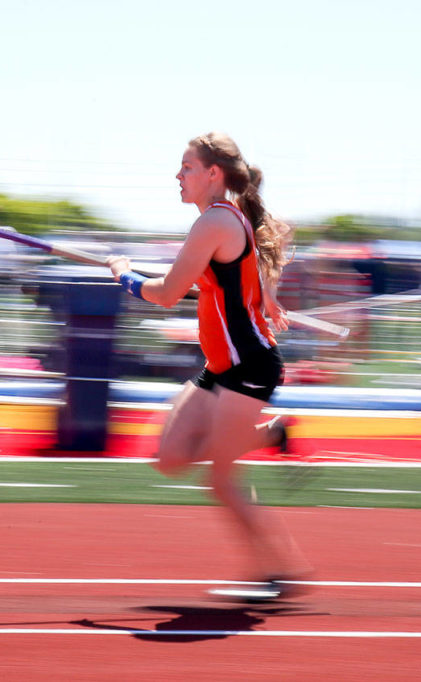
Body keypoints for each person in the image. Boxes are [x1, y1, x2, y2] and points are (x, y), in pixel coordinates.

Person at [107, 132, 310, 599]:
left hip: (249, 367)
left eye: (187, 168)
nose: (178, 176)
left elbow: (164, 294)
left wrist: (123, 275)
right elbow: (221, 282)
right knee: (170, 457)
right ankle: (271, 434)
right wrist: (265, 294)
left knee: (219, 480)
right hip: (219, 367)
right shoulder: (217, 222)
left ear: (212, 174)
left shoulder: (215, 223)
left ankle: (280, 573)